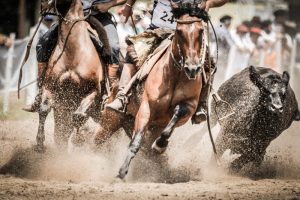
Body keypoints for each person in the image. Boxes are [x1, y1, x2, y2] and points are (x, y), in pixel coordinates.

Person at [106, 0, 229, 124]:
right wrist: (128, 5)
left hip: (189, 36)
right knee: (133, 50)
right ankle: (122, 96)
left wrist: (209, 3)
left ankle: (201, 105)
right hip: (157, 31)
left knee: (210, 63)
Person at [23, 0, 129, 112]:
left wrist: (108, 4)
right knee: (42, 43)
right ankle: (41, 91)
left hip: (99, 17)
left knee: (113, 46)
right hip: (69, 17)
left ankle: (110, 91)